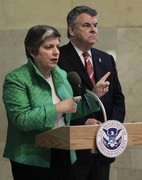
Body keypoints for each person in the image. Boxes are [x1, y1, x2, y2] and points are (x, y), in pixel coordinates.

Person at [2, 25, 110, 180]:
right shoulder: (17, 79)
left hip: (64, 152)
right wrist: (58, 107)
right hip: (32, 158)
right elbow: (21, 120)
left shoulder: (61, 74)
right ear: (33, 52)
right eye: (49, 47)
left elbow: (69, 110)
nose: (56, 52)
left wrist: (94, 95)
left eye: (57, 46)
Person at [58, 5, 126, 180]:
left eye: (95, 25)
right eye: (87, 25)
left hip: (104, 146)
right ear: (72, 29)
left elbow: (117, 99)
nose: (93, 30)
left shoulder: (106, 58)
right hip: (74, 149)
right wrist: (82, 121)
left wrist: (111, 127)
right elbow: (56, 101)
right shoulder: (58, 58)